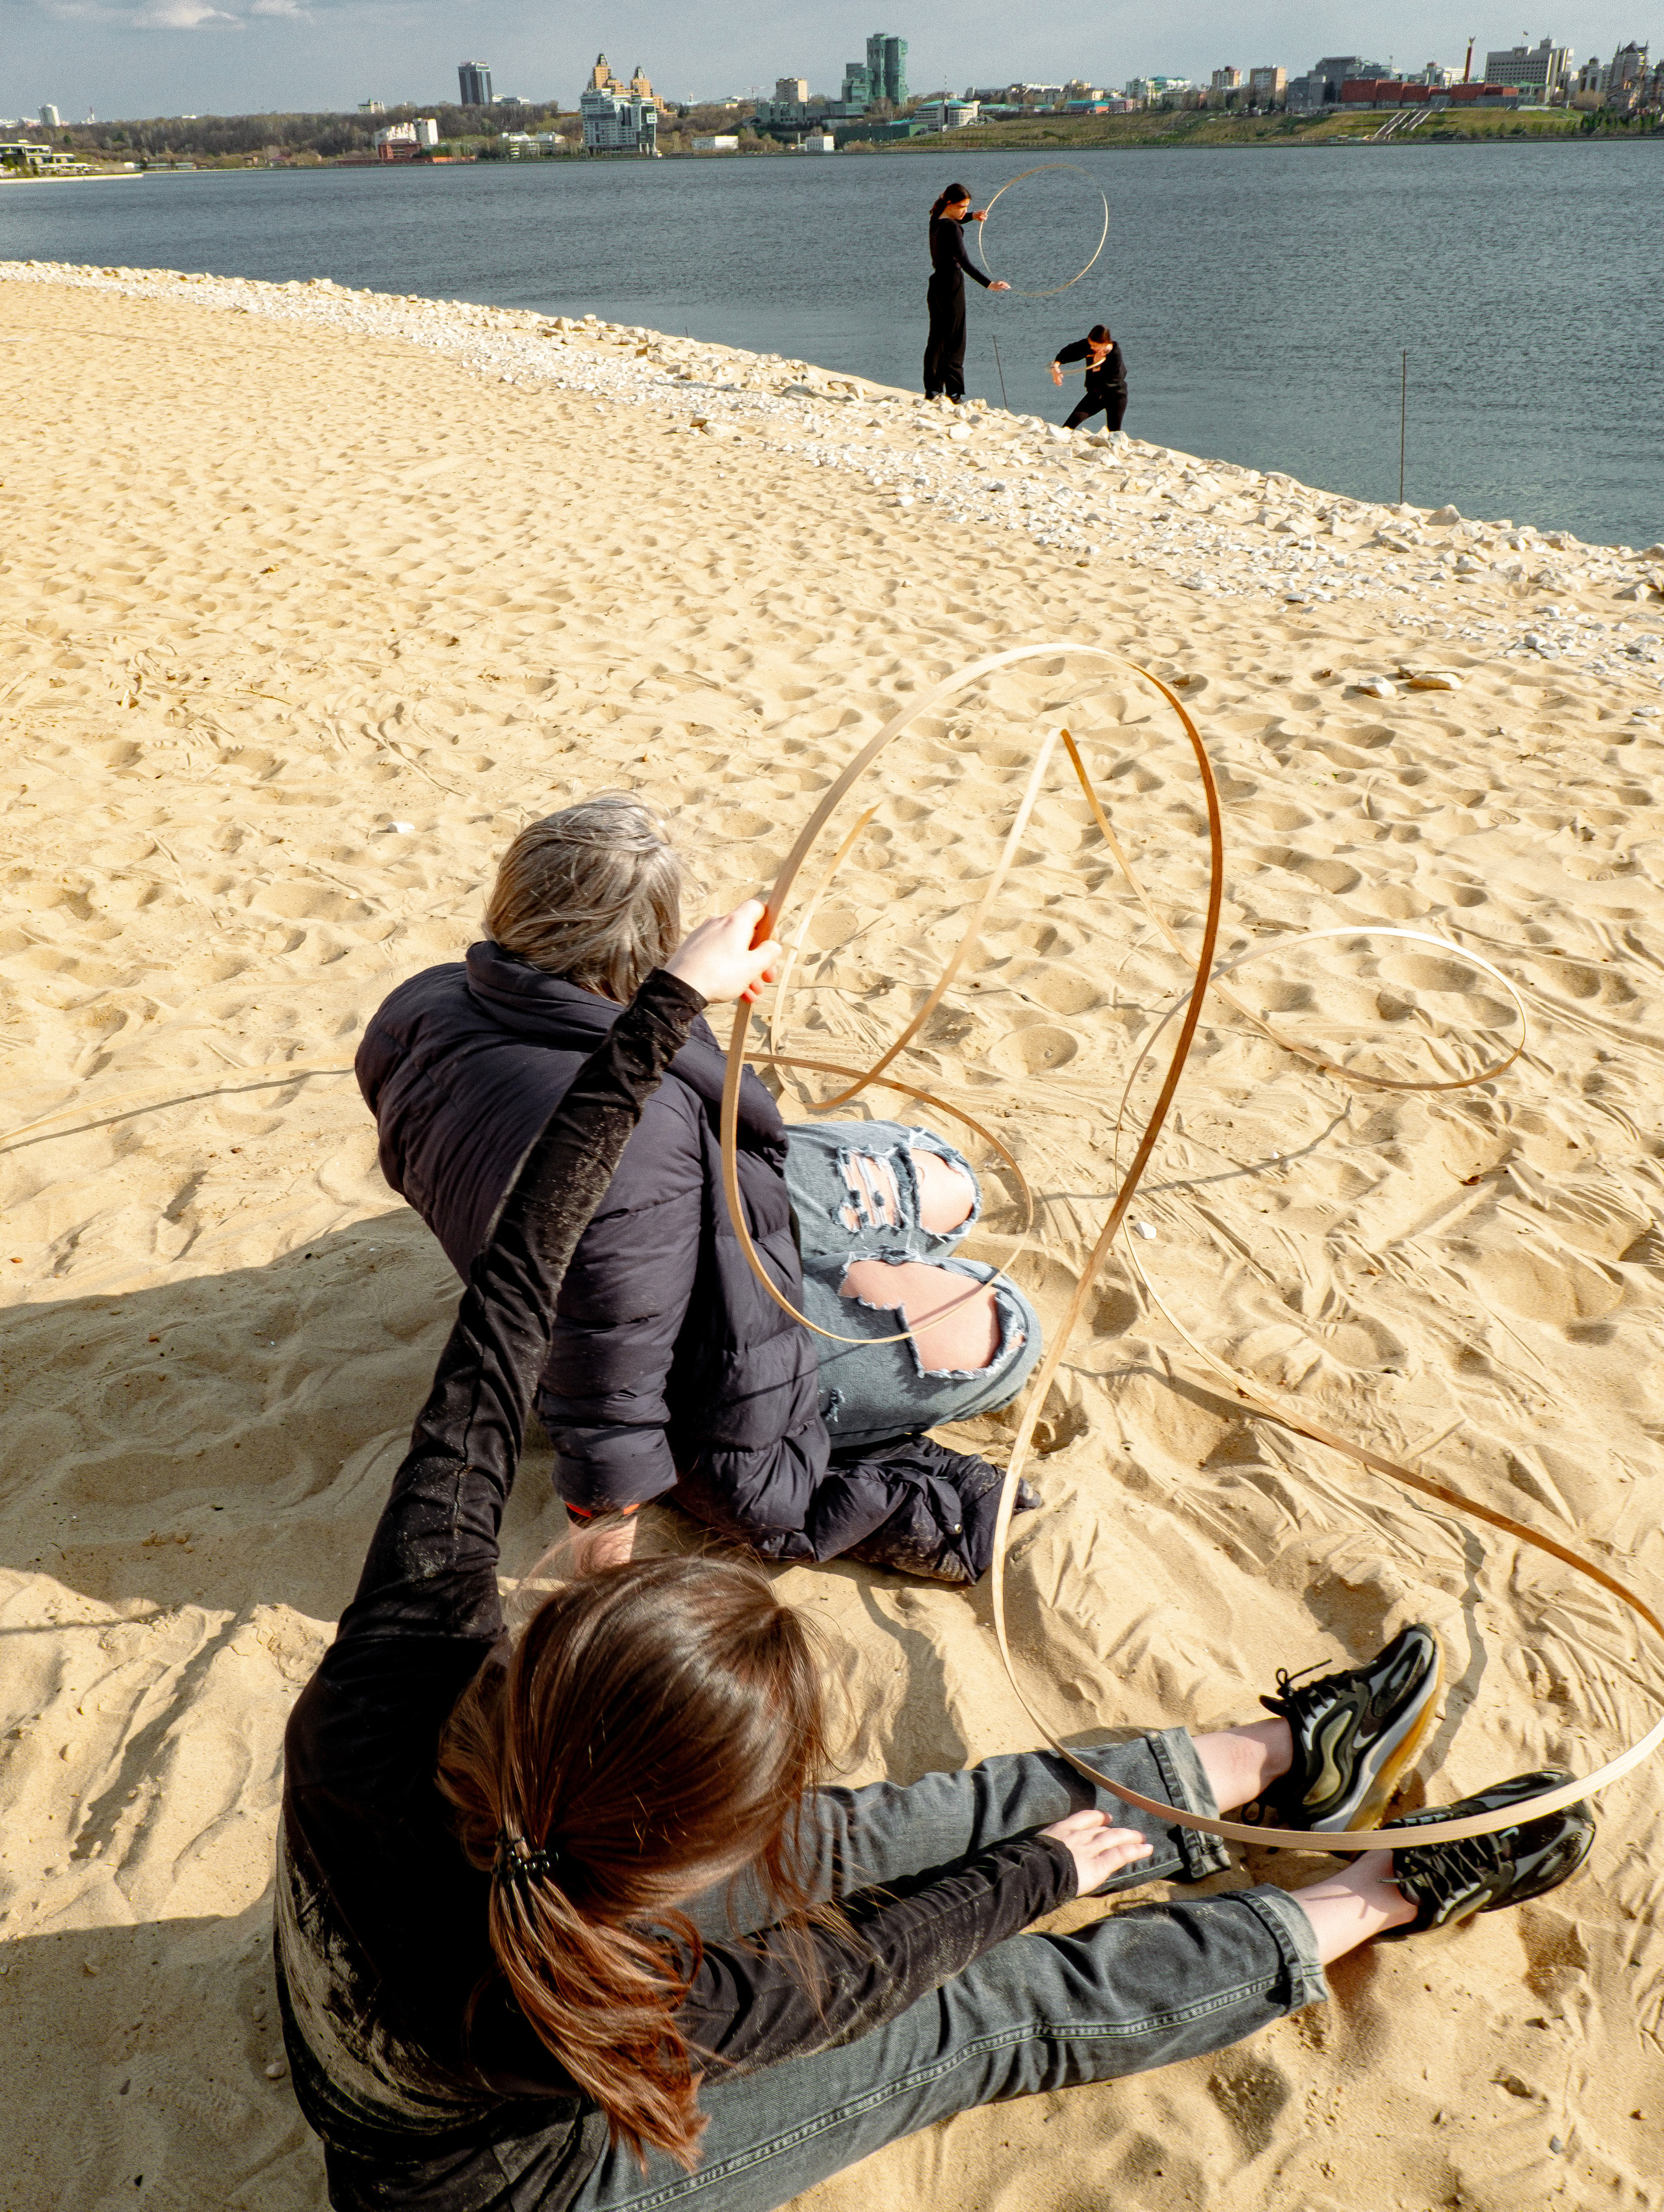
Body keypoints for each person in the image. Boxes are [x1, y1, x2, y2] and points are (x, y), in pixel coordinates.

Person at [280, 902, 1597, 2212]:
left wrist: (664, 1008)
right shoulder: (604, 1997)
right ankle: (1378, 1895)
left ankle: (1277, 1765)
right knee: (975, 2022)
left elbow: (520, 1280)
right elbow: (870, 1979)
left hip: (481, 1940)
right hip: (521, 2183)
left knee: (867, 1837)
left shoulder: (390, 1665)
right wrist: (1045, 1873)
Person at [356, 794, 1044, 1585]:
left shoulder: (423, 999)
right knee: (1004, 1327)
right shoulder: (627, 1143)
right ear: (654, 935)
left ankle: (840, 1271)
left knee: (940, 1176)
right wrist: (605, 1579)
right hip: (682, 1365)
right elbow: (607, 1390)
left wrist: (679, 997)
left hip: (668, 1214)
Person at [924, 183, 1009, 402]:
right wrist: (989, 284)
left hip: (936, 283)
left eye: (967, 207)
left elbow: (955, 220)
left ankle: (933, 390)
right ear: (950, 204)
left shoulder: (936, 219)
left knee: (937, 337)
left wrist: (972, 216)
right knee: (955, 339)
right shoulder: (952, 229)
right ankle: (954, 392)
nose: (965, 211)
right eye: (962, 207)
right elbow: (964, 262)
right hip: (952, 283)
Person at [1051, 324, 1128, 432]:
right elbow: (1069, 351)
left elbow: (1112, 381)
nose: (1091, 348)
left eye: (1095, 346)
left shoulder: (1115, 354)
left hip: (1115, 396)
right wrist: (1055, 365)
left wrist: (1096, 366)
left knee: (1114, 433)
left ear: (1105, 344)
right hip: (1095, 394)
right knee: (1067, 427)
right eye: (1090, 344)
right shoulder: (1090, 346)